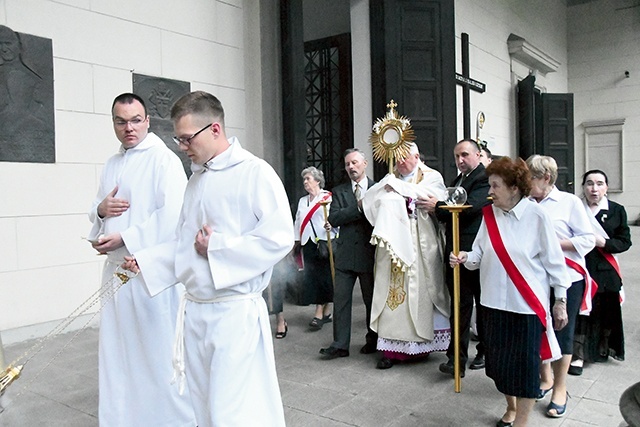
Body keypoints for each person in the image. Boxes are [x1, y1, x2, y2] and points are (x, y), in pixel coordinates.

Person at [123, 91, 294, 426]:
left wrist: (217, 247)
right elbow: (183, 243)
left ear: (214, 129)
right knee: (204, 409)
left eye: (187, 138)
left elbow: (280, 238)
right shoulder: (196, 180)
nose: (182, 146)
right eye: (178, 138)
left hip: (233, 314)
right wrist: (149, 261)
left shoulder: (255, 173)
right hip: (195, 312)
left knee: (233, 411)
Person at [87, 93, 195, 426]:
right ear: (114, 124)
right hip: (115, 274)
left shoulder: (163, 160)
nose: (129, 128)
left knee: (156, 354)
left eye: (136, 120)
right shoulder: (111, 163)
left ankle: (171, 420)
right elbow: (100, 209)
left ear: (147, 121)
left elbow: (175, 214)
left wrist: (127, 238)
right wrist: (100, 213)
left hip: (149, 275)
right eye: (121, 121)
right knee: (118, 355)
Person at [450, 156, 570, 427]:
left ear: (514, 188)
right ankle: (511, 407)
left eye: (495, 186)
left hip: (525, 307)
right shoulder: (489, 215)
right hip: (492, 304)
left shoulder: (537, 215)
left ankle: (522, 422)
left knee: (526, 370)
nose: (489, 192)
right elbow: (478, 254)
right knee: (501, 367)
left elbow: (555, 262)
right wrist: (464, 257)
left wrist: (560, 300)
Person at [363, 142, 450, 369]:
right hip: (392, 249)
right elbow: (369, 200)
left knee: (420, 294)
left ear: (417, 156)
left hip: (420, 247)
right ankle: (390, 350)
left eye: (404, 158)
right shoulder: (390, 178)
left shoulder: (431, 176)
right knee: (390, 295)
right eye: (397, 159)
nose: (400, 163)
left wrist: (400, 191)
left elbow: (433, 196)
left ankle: (419, 347)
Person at [527, 155, 595, 418]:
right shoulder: (526, 202)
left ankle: (561, 388)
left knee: (562, 332)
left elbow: (588, 239)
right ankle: (545, 379)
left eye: (530, 177)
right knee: (539, 329)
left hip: (568, 277)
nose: (525, 182)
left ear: (546, 178)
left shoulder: (569, 202)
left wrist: (554, 243)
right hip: (535, 278)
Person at [433, 139, 490, 377]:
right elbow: (451, 210)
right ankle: (456, 358)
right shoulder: (458, 181)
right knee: (459, 305)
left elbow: (468, 208)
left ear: (478, 154)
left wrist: (437, 207)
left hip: (476, 251)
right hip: (455, 252)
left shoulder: (484, 178)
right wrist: (442, 208)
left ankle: (486, 351)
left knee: (483, 305)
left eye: (465, 155)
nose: (460, 161)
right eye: (457, 156)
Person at [571, 169, 632, 375]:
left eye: (599, 184)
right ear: (583, 187)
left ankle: (600, 349)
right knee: (582, 312)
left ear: (606, 187)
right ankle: (578, 355)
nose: (594, 189)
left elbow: (625, 241)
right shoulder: (575, 208)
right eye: (589, 183)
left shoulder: (616, 210)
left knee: (605, 311)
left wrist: (604, 242)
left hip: (606, 269)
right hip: (582, 266)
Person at [319, 148, 377, 358]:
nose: (351, 167)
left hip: (369, 254)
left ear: (365, 163)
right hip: (344, 256)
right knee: (341, 300)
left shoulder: (377, 188)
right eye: (347, 164)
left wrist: (350, 212)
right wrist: (360, 207)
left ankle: (374, 339)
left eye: (354, 163)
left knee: (372, 300)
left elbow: (378, 217)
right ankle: (340, 344)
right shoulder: (340, 190)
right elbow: (334, 218)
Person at [294, 167, 336, 330]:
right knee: (312, 277)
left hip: (324, 242)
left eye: (308, 179)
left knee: (324, 277)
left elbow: (334, 218)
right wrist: (296, 240)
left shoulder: (327, 198)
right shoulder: (302, 201)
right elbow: (298, 220)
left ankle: (319, 312)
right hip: (308, 243)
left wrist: (331, 226)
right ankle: (325, 311)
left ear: (317, 181)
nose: (305, 182)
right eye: (304, 179)